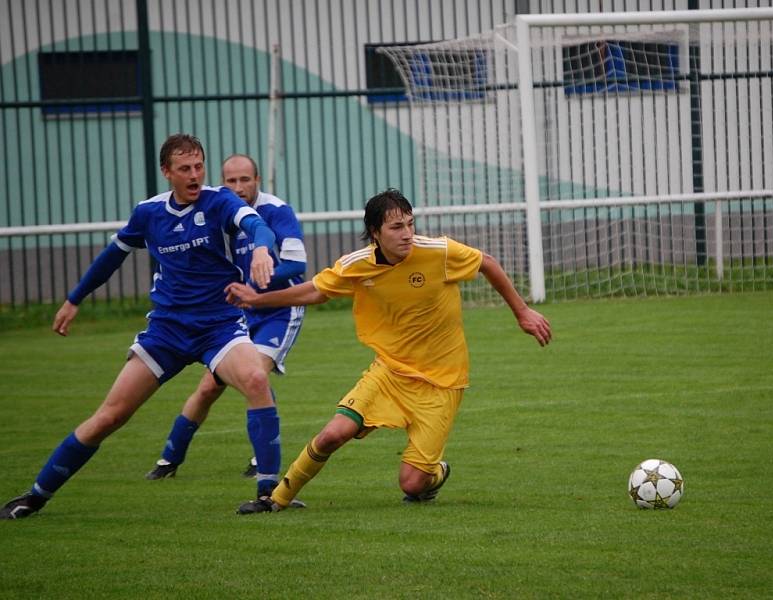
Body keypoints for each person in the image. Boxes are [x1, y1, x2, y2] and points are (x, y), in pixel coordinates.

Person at [0, 134, 282, 520]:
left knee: (255, 379)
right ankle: (35, 496)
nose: (195, 175)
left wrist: (263, 248)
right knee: (110, 416)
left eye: (199, 166)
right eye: (185, 169)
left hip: (218, 327)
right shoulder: (149, 213)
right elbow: (111, 258)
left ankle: (268, 494)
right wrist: (73, 299)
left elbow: (257, 226)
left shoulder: (220, 201)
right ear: (167, 172)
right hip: (166, 332)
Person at [225, 188, 552, 515]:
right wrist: (257, 300)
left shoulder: (438, 251)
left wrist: (522, 312)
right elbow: (314, 291)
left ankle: (437, 472)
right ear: (375, 233)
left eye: (410, 224)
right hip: (390, 373)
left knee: (412, 484)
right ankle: (276, 499)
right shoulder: (358, 265)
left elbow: (487, 263)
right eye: (397, 227)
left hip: (442, 383)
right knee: (332, 435)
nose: (407, 234)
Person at [145, 154, 307, 499]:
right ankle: (169, 459)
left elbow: (297, 263)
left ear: (258, 179)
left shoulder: (276, 210)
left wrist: (258, 280)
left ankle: (261, 462)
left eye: (245, 180)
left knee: (255, 375)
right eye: (230, 181)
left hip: (278, 309)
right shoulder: (216, 209)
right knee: (208, 387)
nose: (238, 187)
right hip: (237, 311)